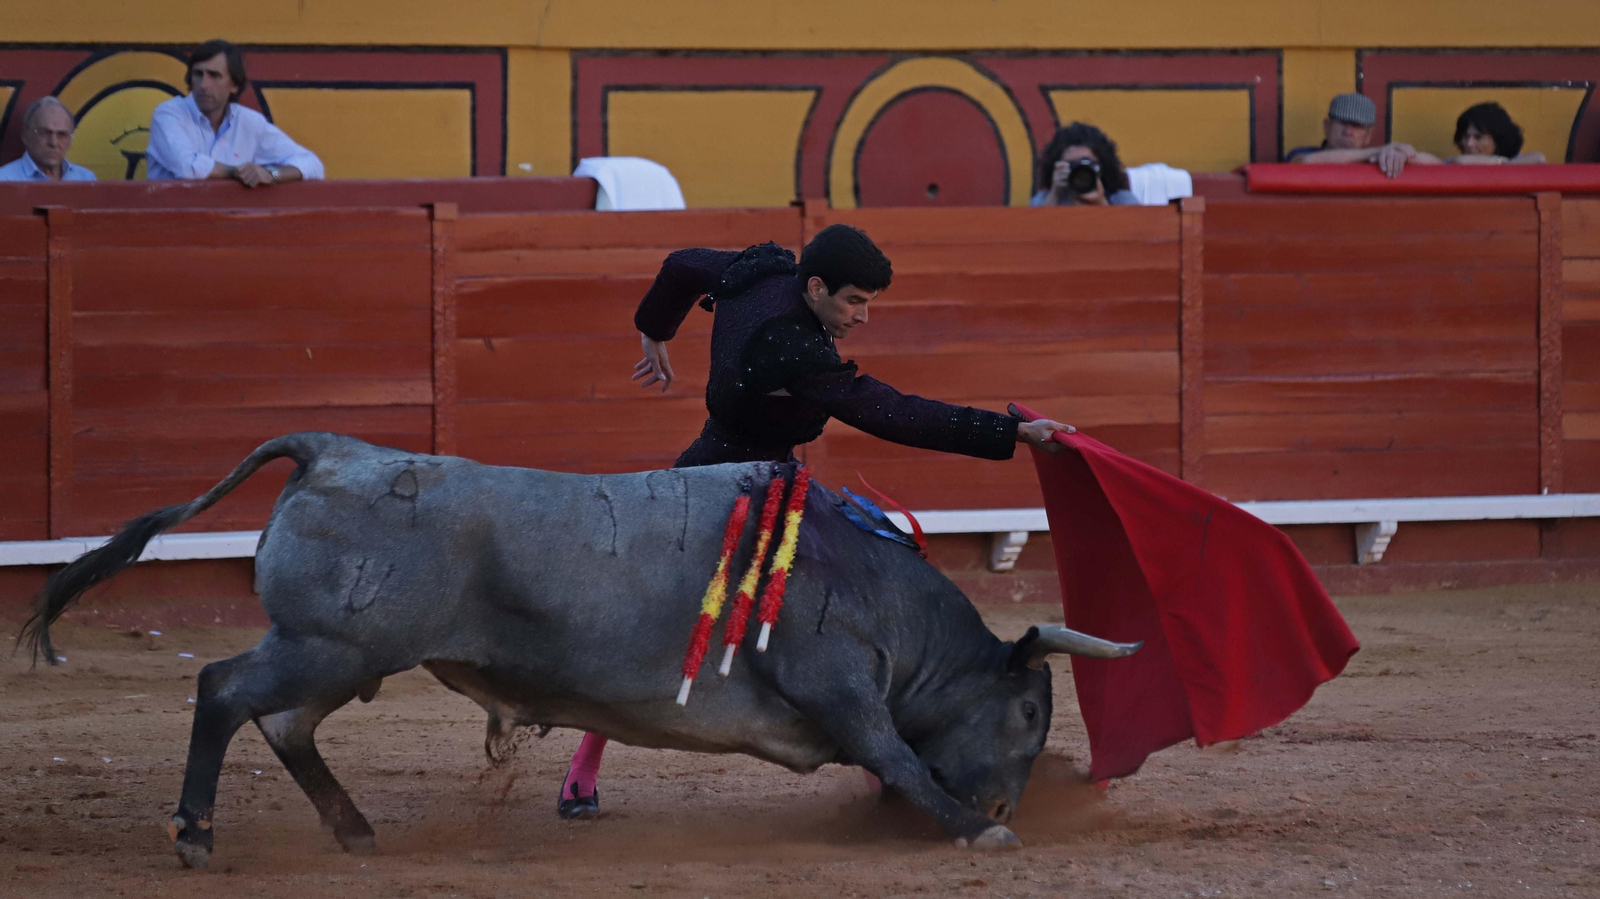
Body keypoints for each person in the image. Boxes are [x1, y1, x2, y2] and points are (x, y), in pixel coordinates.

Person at [555, 225, 1073, 819]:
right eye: (854, 302)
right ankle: (583, 768)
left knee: (789, 615)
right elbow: (893, 414)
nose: (862, 318)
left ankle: (880, 762)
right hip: (730, 494)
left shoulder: (761, 272)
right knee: (677, 624)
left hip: (725, 477)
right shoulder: (791, 347)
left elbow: (680, 265)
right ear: (818, 287)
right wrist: (1010, 433)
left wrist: (655, 330)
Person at [146, 39, 323, 185]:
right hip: (173, 224)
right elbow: (188, 167)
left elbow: (312, 164)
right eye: (198, 74)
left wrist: (271, 174)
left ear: (234, 85)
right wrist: (237, 172)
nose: (203, 85)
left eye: (214, 76)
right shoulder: (168, 114)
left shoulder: (249, 122)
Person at [1286, 92, 1440, 178]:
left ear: (1368, 136)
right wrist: (1379, 150)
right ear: (1327, 126)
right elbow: (1304, 162)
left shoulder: (1379, 159)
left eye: (1357, 126)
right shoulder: (1302, 153)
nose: (1348, 132)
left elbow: (1439, 165)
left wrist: (1403, 153)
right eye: (1342, 123)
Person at [1031, 123, 1138, 206]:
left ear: (1102, 167)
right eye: (1071, 164)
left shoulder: (1121, 199)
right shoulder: (1043, 200)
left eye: (1085, 163)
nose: (1079, 170)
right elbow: (1033, 231)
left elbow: (1134, 232)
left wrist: (1101, 203)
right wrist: (1054, 195)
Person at [0, 97, 97, 182]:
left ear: (70, 140)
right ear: (25, 136)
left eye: (62, 134)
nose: (53, 143)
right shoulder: (4, 179)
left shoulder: (85, 178)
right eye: (45, 133)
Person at [1446, 102, 1547, 165]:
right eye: (1465, 136)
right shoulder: (1453, 162)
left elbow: (1539, 158)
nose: (1469, 143)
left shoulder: (1516, 161)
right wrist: (1497, 162)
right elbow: (1461, 162)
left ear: (1499, 139)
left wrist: (1502, 163)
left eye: (1478, 137)